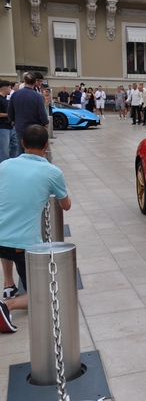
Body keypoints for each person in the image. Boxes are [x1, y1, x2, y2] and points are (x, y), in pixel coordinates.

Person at [0, 125, 71, 332]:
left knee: (7, 235)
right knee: (44, 295)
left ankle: (8, 284)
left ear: (22, 143)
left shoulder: (4, 165)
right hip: (23, 245)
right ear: (46, 145)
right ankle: (7, 304)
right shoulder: (52, 172)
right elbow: (65, 205)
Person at [7, 73, 48, 156]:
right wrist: (45, 122)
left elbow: (10, 111)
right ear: (34, 82)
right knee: (34, 149)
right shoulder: (37, 96)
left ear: (24, 81)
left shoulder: (15, 94)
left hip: (20, 126)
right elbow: (42, 112)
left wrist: (13, 120)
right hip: (34, 128)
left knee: (20, 148)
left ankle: (19, 167)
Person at [0, 80, 17, 164]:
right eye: (10, 87)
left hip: (10, 126)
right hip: (2, 127)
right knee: (4, 149)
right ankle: (3, 165)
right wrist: (9, 114)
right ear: (5, 89)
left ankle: (11, 162)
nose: (11, 89)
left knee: (15, 145)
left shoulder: (6, 99)